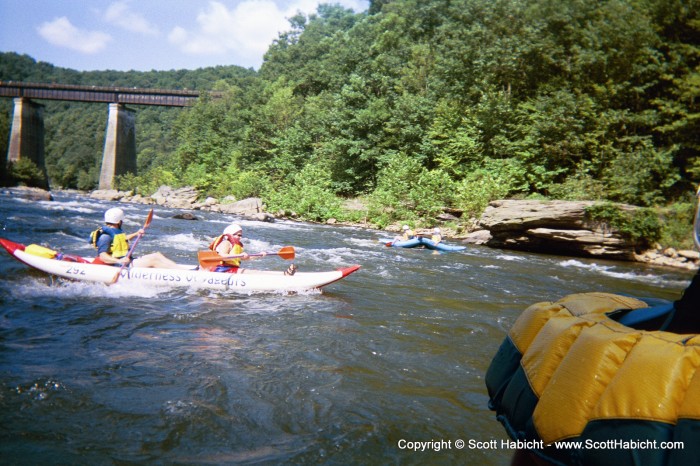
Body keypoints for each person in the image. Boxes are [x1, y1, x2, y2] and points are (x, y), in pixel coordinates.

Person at [91, 207, 181, 269]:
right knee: (153, 260)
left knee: (157, 255)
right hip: (117, 265)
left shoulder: (115, 233)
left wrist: (137, 233)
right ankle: (183, 274)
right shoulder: (105, 236)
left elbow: (122, 239)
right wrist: (119, 261)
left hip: (125, 261)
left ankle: (184, 271)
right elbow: (103, 257)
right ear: (119, 222)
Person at [207, 223, 297, 275]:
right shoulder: (226, 243)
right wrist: (239, 255)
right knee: (253, 272)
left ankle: (283, 274)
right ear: (230, 234)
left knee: (254, 272)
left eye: (240, 235)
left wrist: (260, 255)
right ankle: (283, 275)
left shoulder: (237, 246)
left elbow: (247, 258)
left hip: (230, 269)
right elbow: (222, 256)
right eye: (237, 235)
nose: (240, 237)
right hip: (221, 270)